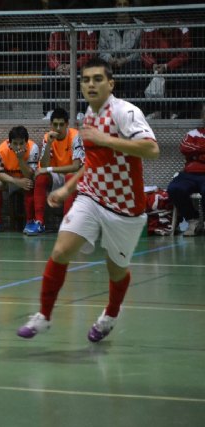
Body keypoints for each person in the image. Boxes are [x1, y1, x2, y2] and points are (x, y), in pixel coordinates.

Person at [17, 57, 159, 342]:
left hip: (125, 208)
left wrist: (105, 139)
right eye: (86, 80)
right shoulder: (89, 117)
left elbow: (151, 148)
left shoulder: (125, 112)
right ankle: (44, 315)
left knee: (116, 270)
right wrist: (68, 188)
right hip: (92, 197)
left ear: (111, 83)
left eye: (97, 79)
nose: (91, 84)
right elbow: (91, 163)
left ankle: (111, 315)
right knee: (60, 251)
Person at [32, 108, 84, 234]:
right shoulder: (48, 137)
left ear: (67, 125)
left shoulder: (75, 136)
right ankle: (39, 222)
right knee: (41, 178)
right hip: (58, 175)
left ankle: (66, 225)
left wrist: (49, 169)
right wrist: (49, 144)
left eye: (61, 124)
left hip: (76, 177)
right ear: (51, 125)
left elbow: (76, 166)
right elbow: (43, 165)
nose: (58, 128)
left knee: (69, 177)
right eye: (55, 125)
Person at [0, 126, 40, 234]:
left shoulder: (33, 148)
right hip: (10, 180)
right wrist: (16, 181)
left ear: (26, 142)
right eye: (15, 143)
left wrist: (20, 158)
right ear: (10, 143)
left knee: (29, 183)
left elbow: (29, 174)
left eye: (21, 143)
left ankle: (30, 222)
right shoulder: (1, 150)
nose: (18, 147)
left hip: (26, 178)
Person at [167, 104, 205, 236]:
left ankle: (203, 222)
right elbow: (184, 148)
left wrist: (196, 153)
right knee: (175, 188)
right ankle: (192, 220)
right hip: (189, 174)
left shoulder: (195, 139)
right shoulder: (192, 133)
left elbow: (191, 150)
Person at [42, 27, 97, 119]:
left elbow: (89, 54)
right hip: (62, 66)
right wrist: (57, 66)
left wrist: (73, 65)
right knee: (47, 72)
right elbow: (51, 53)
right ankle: (50, 111)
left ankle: (83, 112)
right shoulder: (55, 31)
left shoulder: (88, 31)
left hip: (80, 65)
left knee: (87, 73)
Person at [140, 25, 192, 119]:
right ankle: (151, 111)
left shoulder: (183, 29)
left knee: (185, 76)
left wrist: (167, 66)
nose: (167, 26)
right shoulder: (149, 29)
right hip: (155, 63)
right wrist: (153, 65)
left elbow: (185, 53)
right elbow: (145, 52)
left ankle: (177, 113)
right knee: (139, 74)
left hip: (175, 63)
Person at [98, 0, 144, 101]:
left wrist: (126, 59)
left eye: (125, 4)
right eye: (119, 4)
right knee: (103, 69)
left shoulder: (139, 25)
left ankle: (129, 105)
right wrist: (110, 59)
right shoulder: (105, 27)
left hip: (130, 63)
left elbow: (141, 51)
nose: (122, 7)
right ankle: (109, 108)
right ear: (114, 7)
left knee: (134, 68)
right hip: (111, 63)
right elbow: (101, 50)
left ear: (130, 7)